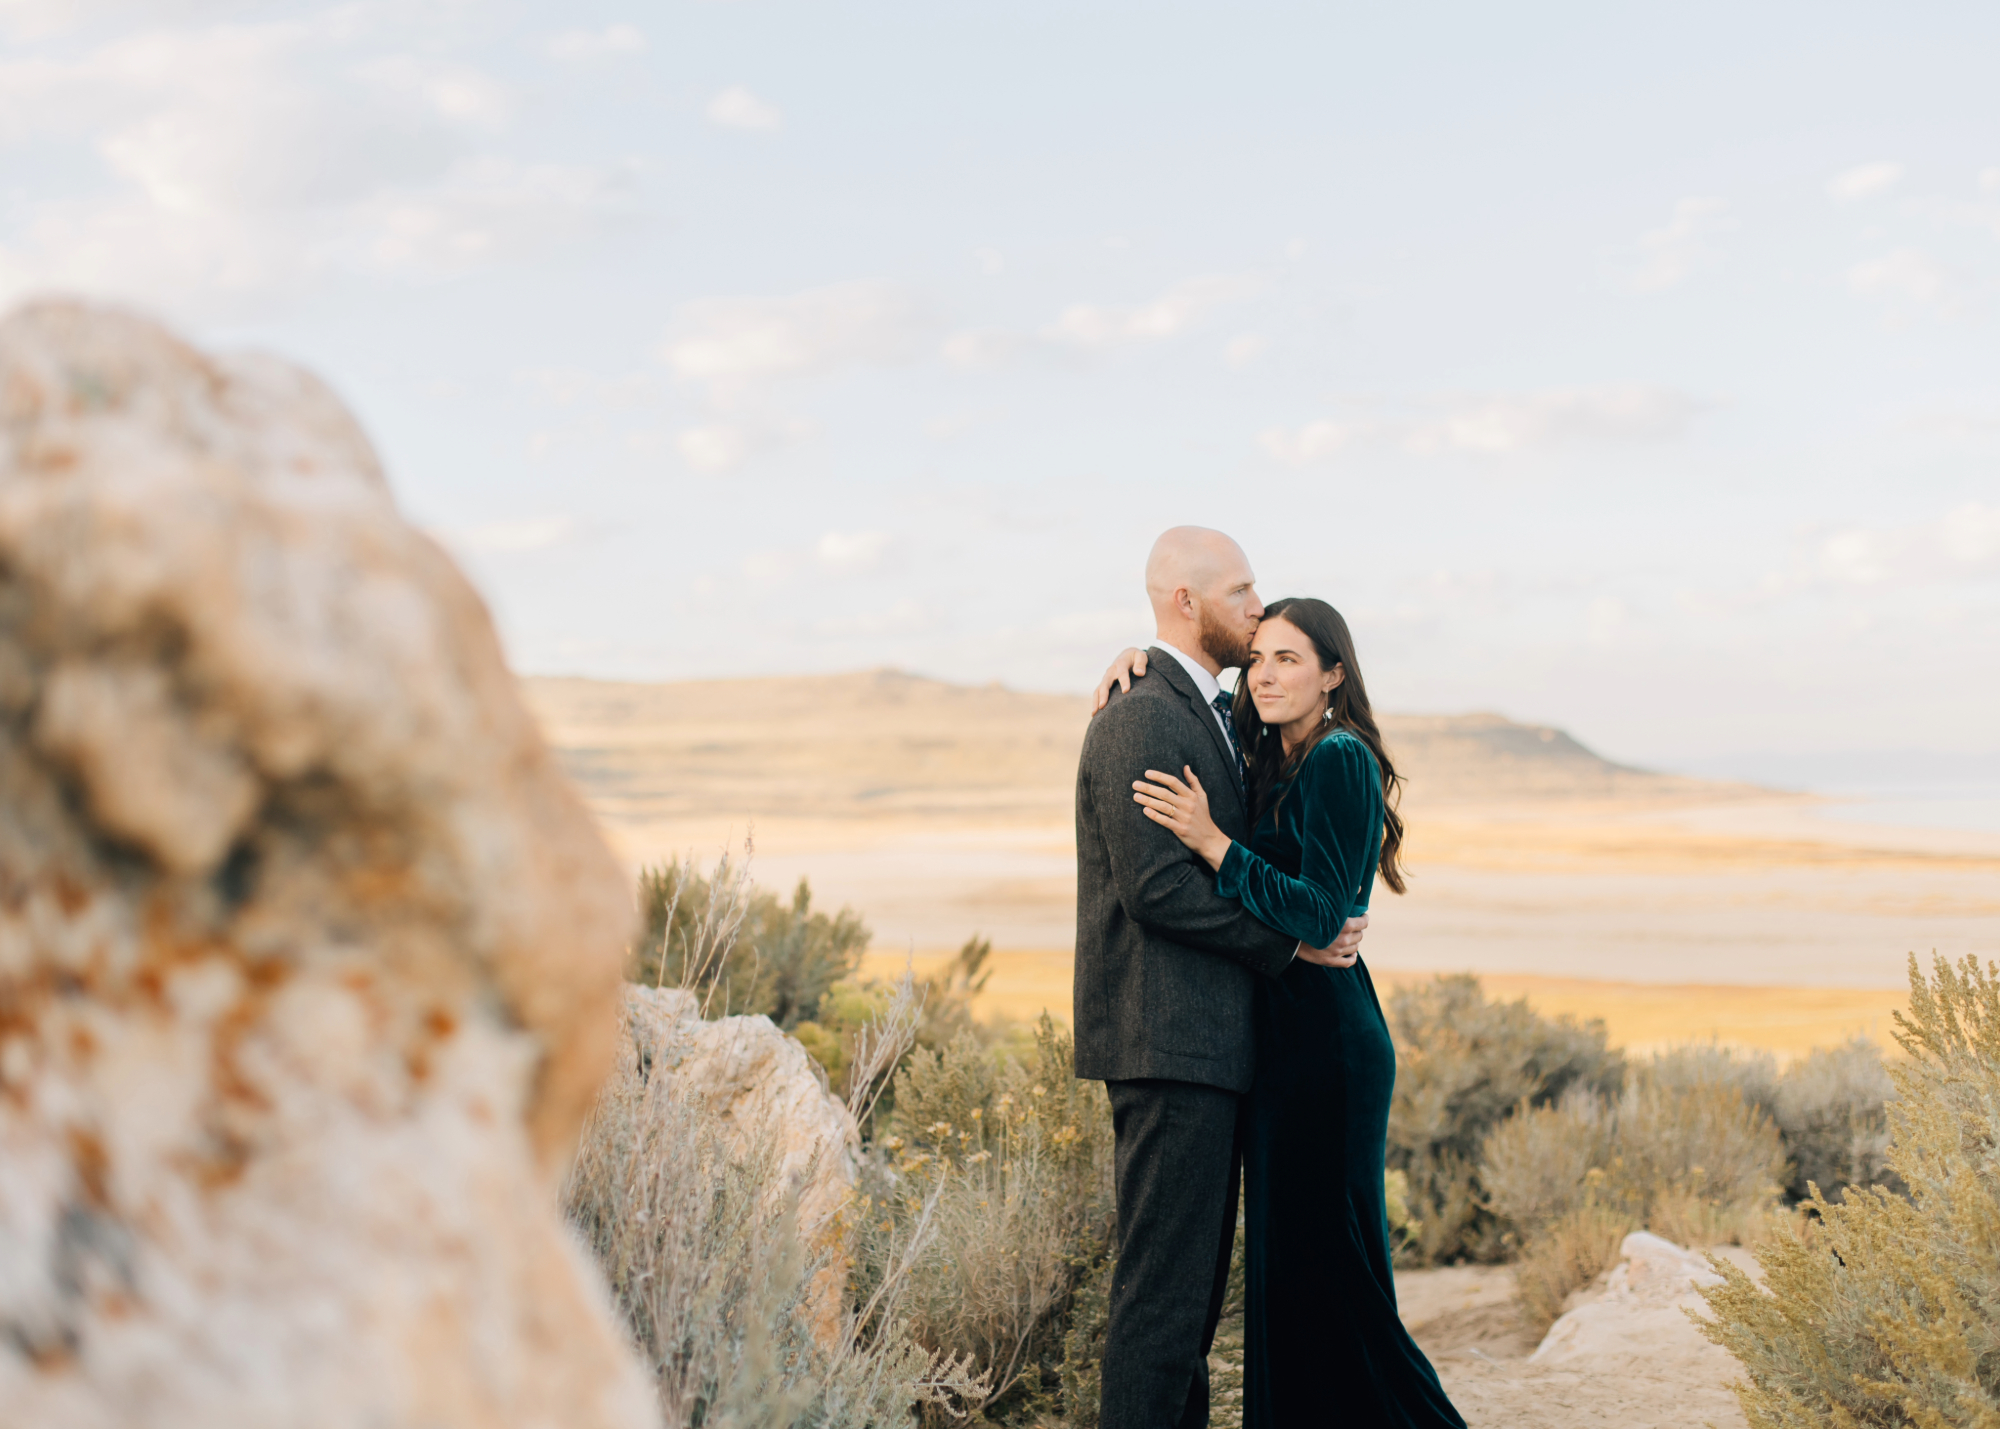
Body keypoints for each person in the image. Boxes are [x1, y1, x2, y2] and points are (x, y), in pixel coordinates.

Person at [1116, 596, 1465, 1428]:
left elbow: (1316, 914)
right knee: (1291, 1273)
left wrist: (1212, 844)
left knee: (1332, 1273)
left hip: (1327, 1048)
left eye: (1290, 660)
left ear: (1334, 674)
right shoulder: (1271, 750)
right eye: (1259, 659)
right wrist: (1130, 661)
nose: (1266, 674)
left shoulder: (1340, 758)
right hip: (1282, 1040)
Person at [1073, 528, 1369, 1429]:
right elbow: (1158, 888)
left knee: (1191, 1300)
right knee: (1162, 1298)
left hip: (1211, 1048)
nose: (1257, 606)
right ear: (1189, 604)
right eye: (1242, 592)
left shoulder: (1203, 705)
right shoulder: (1144, 713)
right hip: (1169, 1043)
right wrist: (1288, 949)